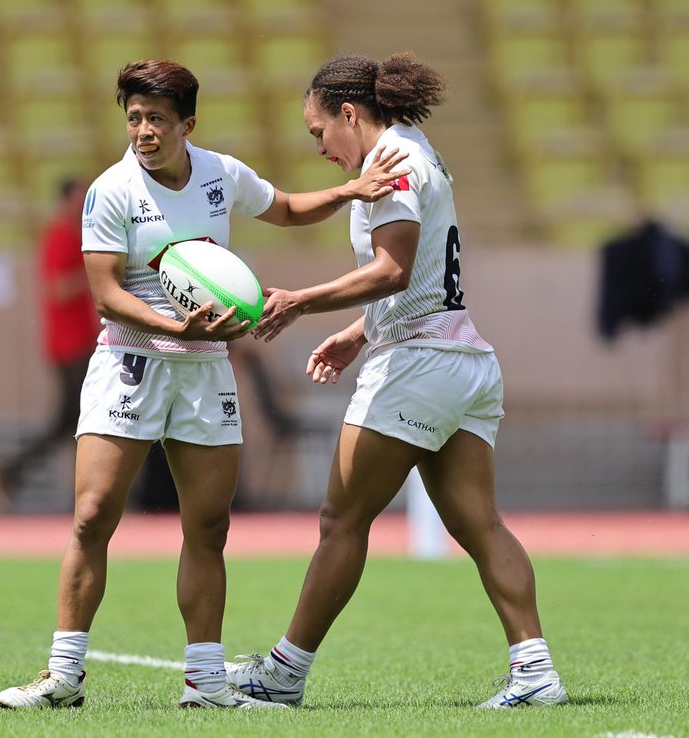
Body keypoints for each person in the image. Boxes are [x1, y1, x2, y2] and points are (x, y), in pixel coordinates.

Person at [0, 59, 407, 711]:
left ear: (188, 123)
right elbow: (104, 294)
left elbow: (288, 207)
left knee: (209, 526)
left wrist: (350, 193)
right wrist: (169, 325)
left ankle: (206, 684)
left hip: (204, 370)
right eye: (133, 118)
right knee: (93, 515)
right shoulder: (110, 192)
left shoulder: (220, 174)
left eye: (157, 118)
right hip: (129, 362)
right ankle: (63, 676)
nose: (143, 131)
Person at [223, 53, 569, 709]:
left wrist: (300, 299)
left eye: (319, 131)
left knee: (341, 520)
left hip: (418, 367)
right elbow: (424, 272)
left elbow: (394, 271)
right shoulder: (417, 150)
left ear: (349, 114)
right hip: (462, 361)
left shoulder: (398, 164)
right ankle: (536, 671)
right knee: (480, 524)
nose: (320, 147)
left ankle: (284, 673)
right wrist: (359, 333)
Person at [0, 177, 99, 512]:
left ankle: (11, 472)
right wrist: (98, 273)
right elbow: (59, 288)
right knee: (79, 421)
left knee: (72, 421)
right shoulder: (60, 238)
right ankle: (11, 471)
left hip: (79, 343)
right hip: (71, 346)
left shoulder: (77, 237)